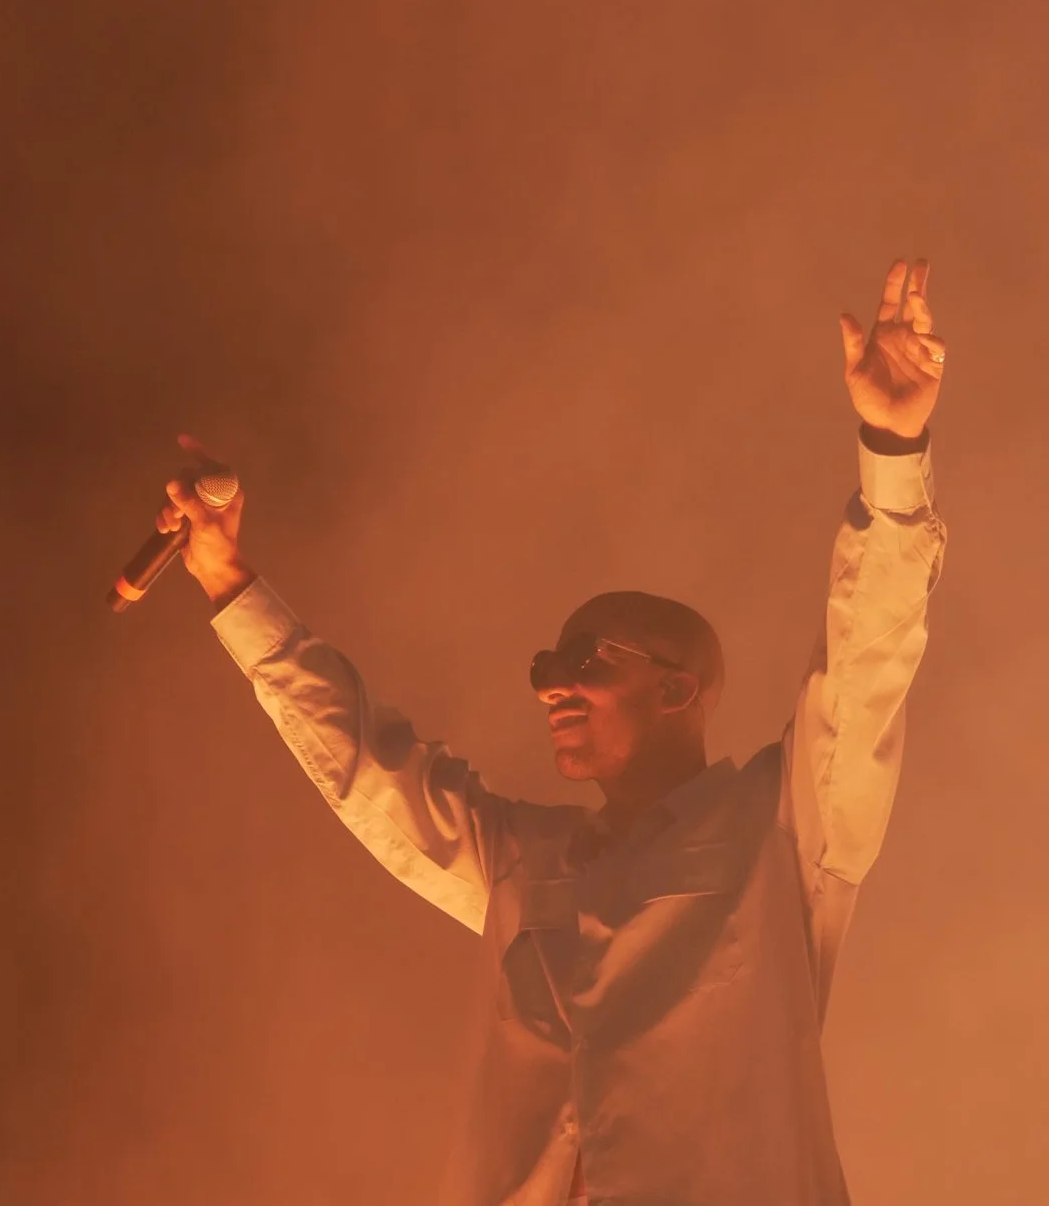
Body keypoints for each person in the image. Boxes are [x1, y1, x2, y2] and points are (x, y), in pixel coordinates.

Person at [160, 257, 946, 1206]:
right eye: (544, 669)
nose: (553, 689)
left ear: (678, 689)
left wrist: (893, 456)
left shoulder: (779, 836)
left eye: (590, 662)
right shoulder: (525, 864)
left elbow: (864, 677)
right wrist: (227, 581)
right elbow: (370, 769)